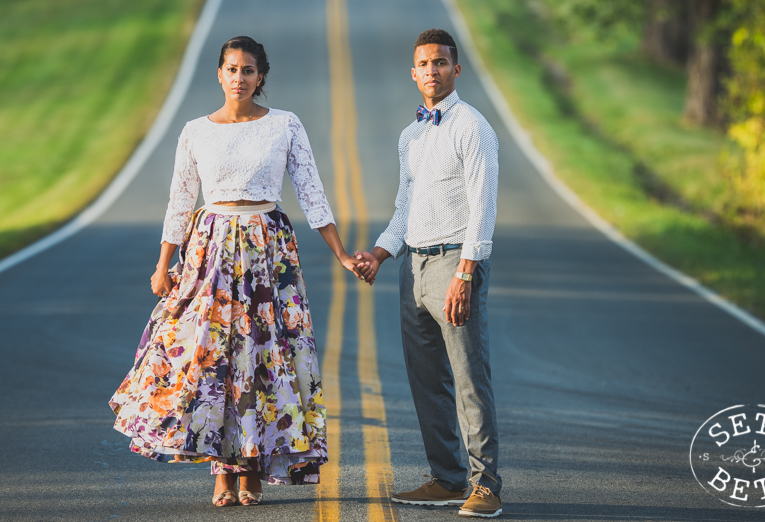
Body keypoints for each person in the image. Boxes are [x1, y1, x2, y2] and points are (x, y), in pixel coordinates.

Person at [110, 36, 366, 507]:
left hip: (269, 249)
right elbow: (180, 201)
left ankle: (250, 468)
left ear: (261, 76)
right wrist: (163, 264)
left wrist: (342, 254)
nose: (239, 78)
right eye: (231, 69)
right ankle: (222, 475)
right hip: (210, 250)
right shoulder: (195, 131)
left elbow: (312, 193)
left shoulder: (285, 125)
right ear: (219, 73)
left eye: (248, 70)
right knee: (212, 358)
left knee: (264, 358)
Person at [355, 28, 502, 517]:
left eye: (441, 62)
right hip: (412, 267)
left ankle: (486, 486)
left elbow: (483, 206)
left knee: (468, 378)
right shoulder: (411, 135)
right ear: (414, 73)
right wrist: (379, 254)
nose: (432, 71)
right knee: (425, 380)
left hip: (454, 265)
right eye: (424, 64)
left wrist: (465, 271)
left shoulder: (473, 127)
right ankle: (446, 478)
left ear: (455, 70)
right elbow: (405, 206)